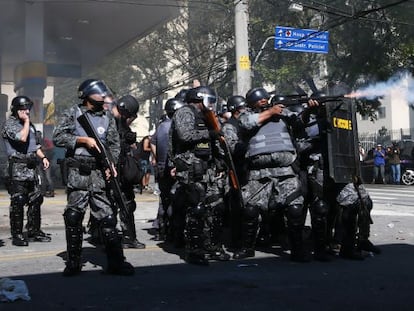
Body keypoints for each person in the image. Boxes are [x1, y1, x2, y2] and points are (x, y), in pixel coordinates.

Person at [53, 79, 134, 276]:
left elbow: (114, 144)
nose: (104, 98)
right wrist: (82, 140)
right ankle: (73, 263)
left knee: (107, 218)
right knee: (73, 217)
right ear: (88, 95)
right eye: (100, 94)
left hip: (99, 174)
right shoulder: (73, 113)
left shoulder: (107, 117)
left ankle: (116, 262)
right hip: (78, 174)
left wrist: (111, 164)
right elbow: (58, 137)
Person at [233, 87, 314, 262]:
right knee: (250, 210)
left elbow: (300, 124)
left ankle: (297, 249)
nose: (263, 101)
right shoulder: (246, 115)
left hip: (285, 170)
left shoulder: (284, 114)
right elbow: (246, 124)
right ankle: (247, 248)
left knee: (295, 209)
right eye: (259, 100)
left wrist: (309, 110)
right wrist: (270, 112)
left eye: (265, 99)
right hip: (258, 172)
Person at [170, 85, 229, 265]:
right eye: (209, 100)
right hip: (190, 168)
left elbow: (214, 143)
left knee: (216, 206)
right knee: (196, 209)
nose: (211, 104)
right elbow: (185, 135)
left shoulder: (207, 116)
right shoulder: (185, 112)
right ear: (199, 99)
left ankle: (213, 247)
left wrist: (220, 161)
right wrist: (209, 133)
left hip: (207, 168)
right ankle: (195, 250)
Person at [2, 96, 52, 246]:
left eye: (28, 109)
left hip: (31, 167)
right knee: (18, 201)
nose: (26, 112)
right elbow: (22, 139)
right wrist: (26, 121)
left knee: (36, 198)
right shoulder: (10, 124)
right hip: (17, 168)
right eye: (23, 109)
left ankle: (33, 230)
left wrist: (43, 157)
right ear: (16, 109)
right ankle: (17, 234)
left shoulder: (29, 126)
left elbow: (34, 145)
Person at [112, 95, 146, 249]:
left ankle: (128, 237)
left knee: (127, 205)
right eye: (131, 116)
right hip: (112, 171)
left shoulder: (121, 125)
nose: (131, 119)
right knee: (111, 207)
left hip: (121, 171)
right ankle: (112, 237)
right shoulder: (110, 123)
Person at [151, 97, 183, 241]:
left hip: (162, 167)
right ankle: (174, 232)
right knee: (176, 199)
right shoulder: (175, 127)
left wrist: (157, 158)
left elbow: (152, 143)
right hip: (173, 168)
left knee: (164, 199)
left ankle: (162, 229)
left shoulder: (161, 126)